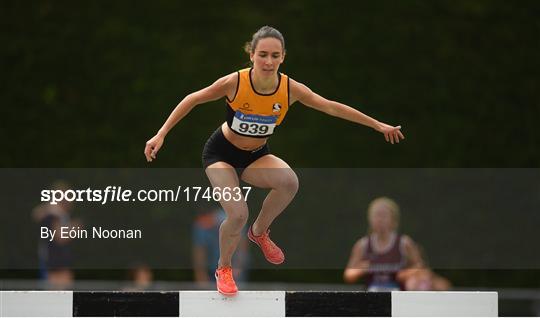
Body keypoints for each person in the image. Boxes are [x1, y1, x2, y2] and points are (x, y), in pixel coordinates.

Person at [145, 26, 404, 296]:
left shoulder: (291, 89)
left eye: (275, 56)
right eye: (263, 55)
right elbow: (192, 99)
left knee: (289, 181)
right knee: (237, 214)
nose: (268, 62)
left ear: (283, 57)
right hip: (220, 154)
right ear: (252, 55)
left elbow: (330, 106)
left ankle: (259, 232)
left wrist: (377, 125)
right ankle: (224, 267)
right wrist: (161, 134)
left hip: (255, 155)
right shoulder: (235, 83)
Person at [344, 197, 450, 291]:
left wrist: (406, 273)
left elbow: (421, 268)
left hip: (399, 295)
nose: (380, 220)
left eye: (384, 215)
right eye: (376, 215)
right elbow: (348, 275)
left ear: (394, 219)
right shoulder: (362, 245)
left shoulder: (404, 243)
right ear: (370, 219)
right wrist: (360, 270)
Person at [192, 204, 249, 286]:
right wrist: (201, 276)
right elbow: (199, 253)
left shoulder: (232, 220)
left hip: (234, 268)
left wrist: (238, 266)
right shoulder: (200, 227)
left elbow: (242, 247)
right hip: (213, 269)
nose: (204, 226)